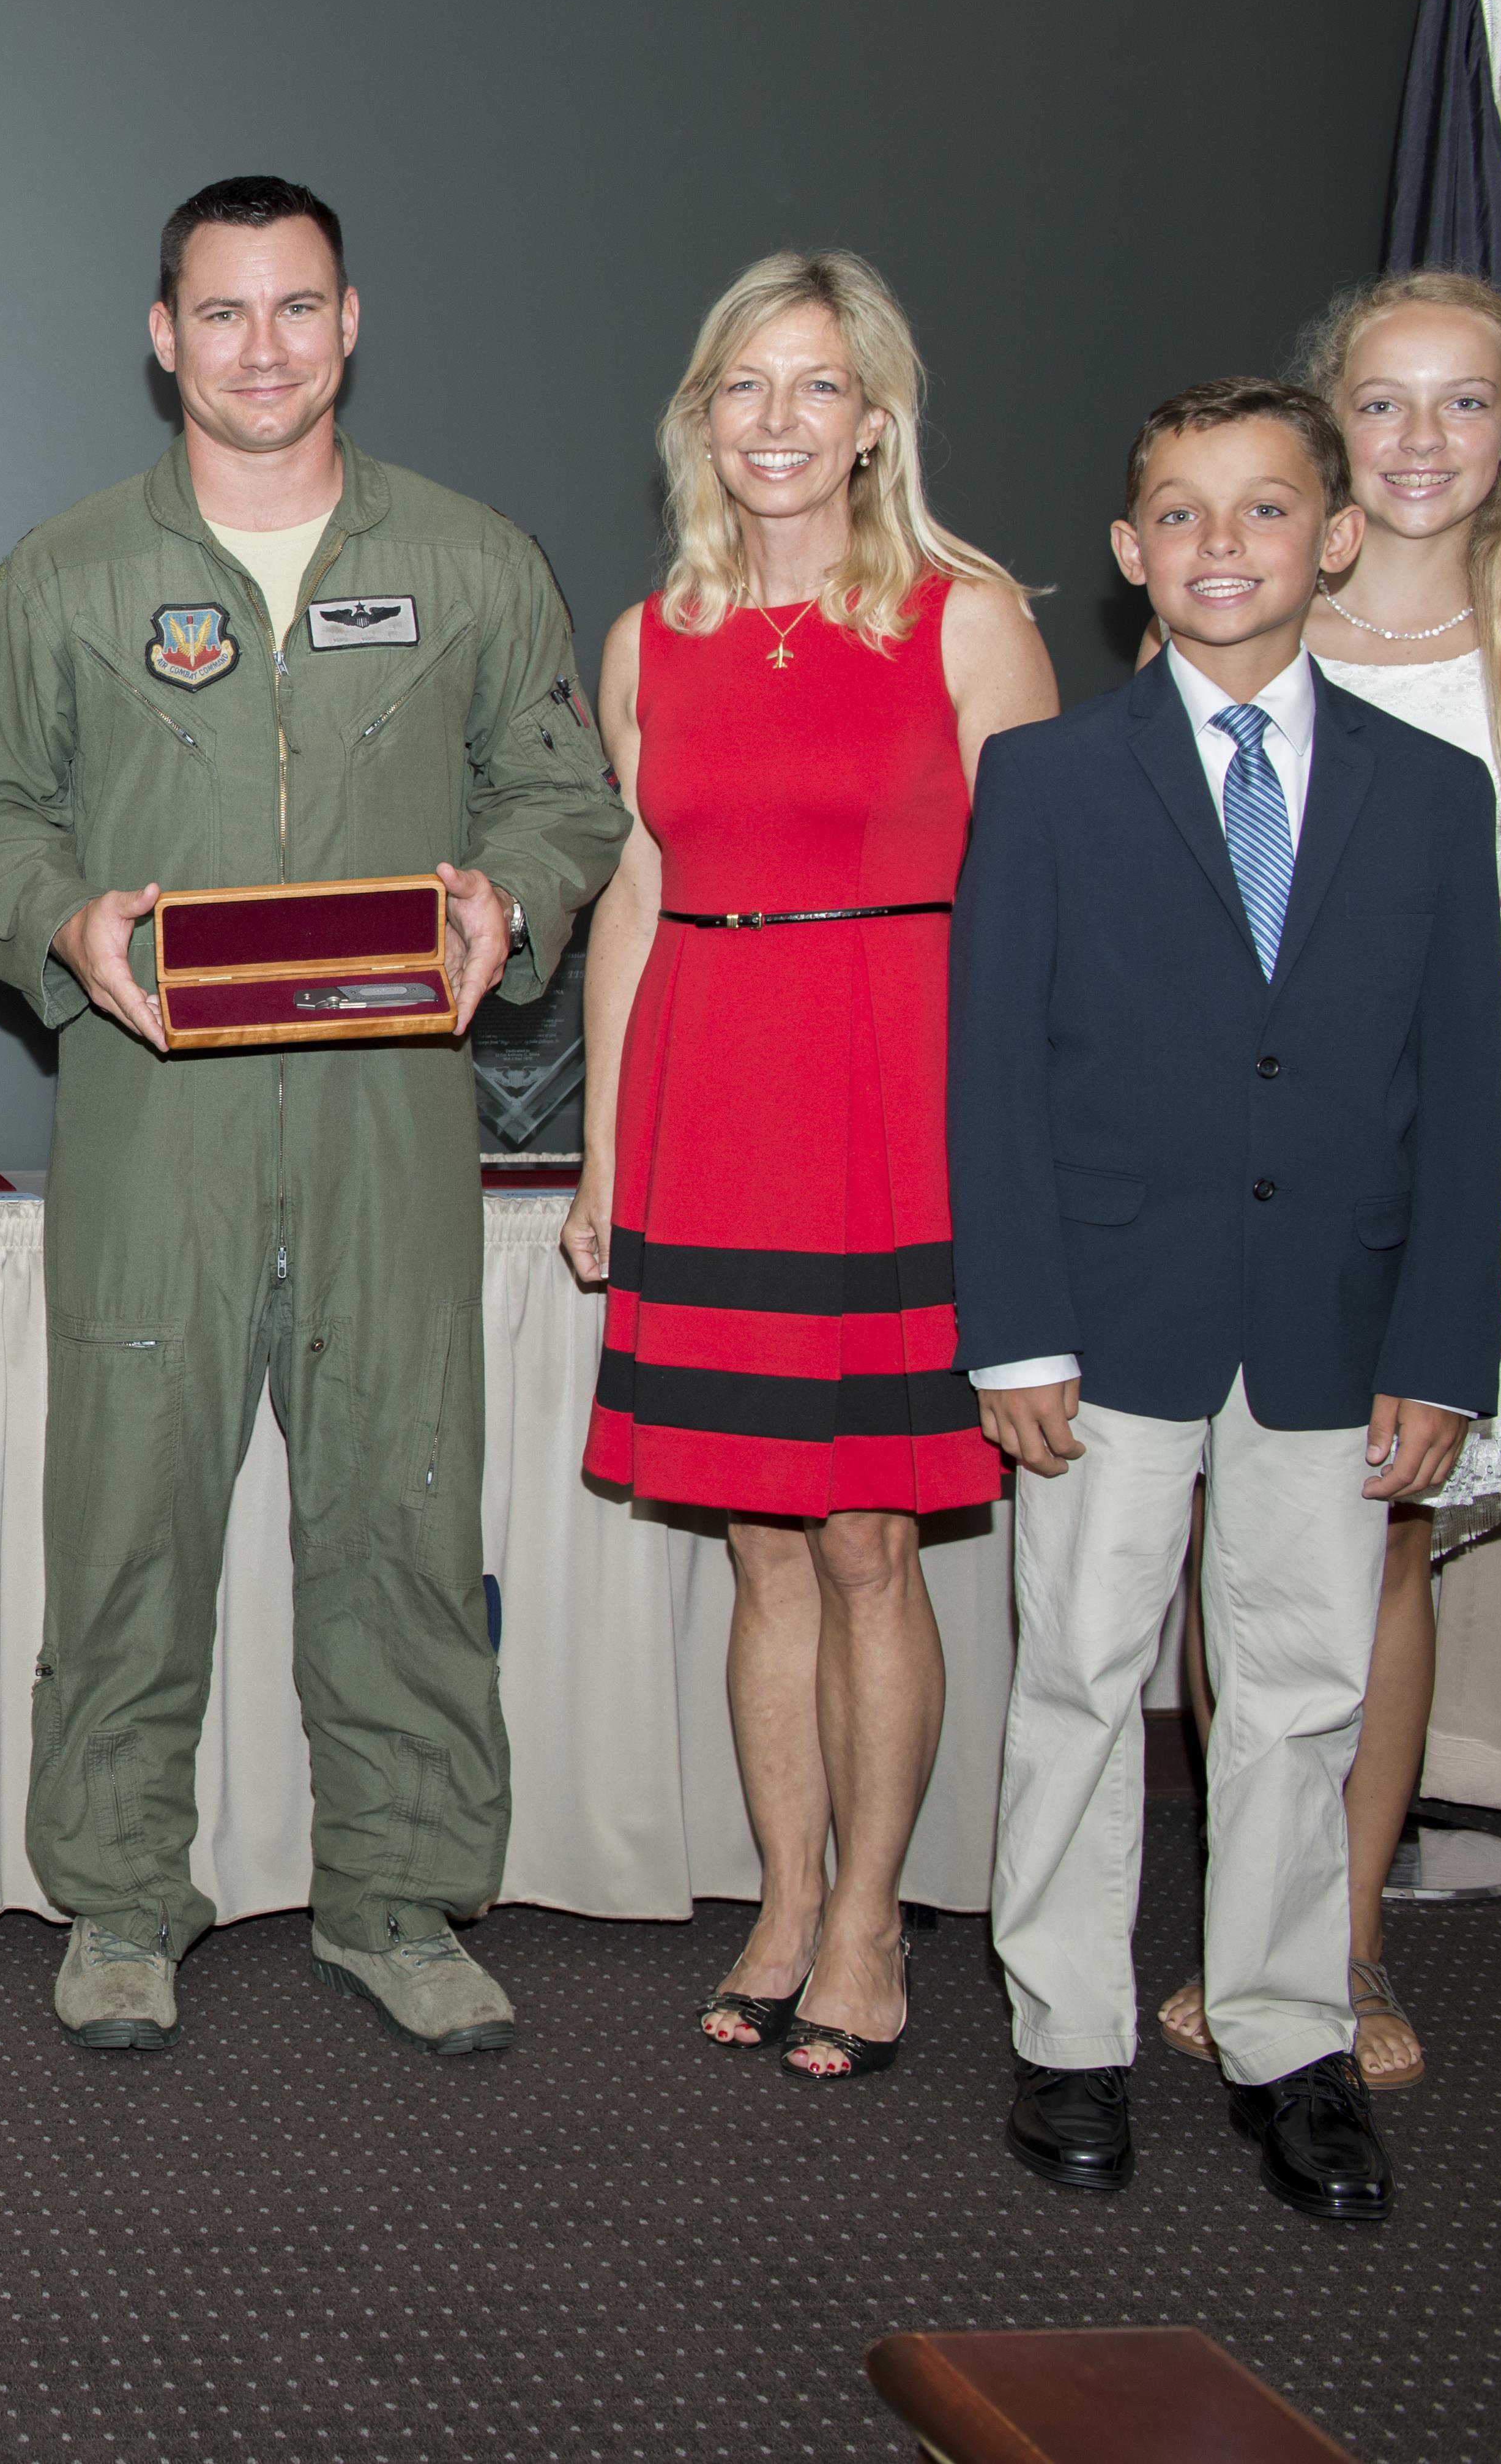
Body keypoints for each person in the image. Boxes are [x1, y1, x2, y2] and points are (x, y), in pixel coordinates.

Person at [0, 175, 627, 2055]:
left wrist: (509, 900)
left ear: (351, 325)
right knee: (125, 1514)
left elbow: (562, 797)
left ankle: (397, 1897)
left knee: (401, 1499)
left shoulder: (472, 562)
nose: (263, 348)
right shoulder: (67, 571)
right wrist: (60, 922)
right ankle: (118, 1898)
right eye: (224, 312)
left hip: (385, 1122)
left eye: (298, 307)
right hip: (149, 1118)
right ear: (163, 336)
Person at [959, 378, 1500, 2227]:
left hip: (1334, 1329)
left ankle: (1286, 2035)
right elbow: (992, 1077)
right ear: (1130, 553)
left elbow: (1463, 1094)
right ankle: (1068, 2033)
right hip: (1106, 1321)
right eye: (1181, 513)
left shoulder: (1431, 797)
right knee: (1080, 1677)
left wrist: (1439, 1349)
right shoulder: (1046, 783)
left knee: (1298, 1692)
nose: (1222, 544)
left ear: (1332, 539)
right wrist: (1016, 1331)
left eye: (1265, 509)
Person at [562, 253, 1055, 2080]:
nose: (778, 420)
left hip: (893, 1110)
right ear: (701, 419)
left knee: (864, 1542)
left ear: (875, 423)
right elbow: (634, 893)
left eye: (818, 386)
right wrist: (606, 1156)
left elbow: (1044, 915)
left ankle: (869, 1920)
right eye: (745, 387)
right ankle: (781, 1901)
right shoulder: (649, 636)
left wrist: (1019, 1167)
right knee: (759, 1547)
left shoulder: (965, 619)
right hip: (710, 1105)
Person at [1146, 272, 1501, 2089]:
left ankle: (1341, 1946)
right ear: (1328, 429)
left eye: (1464, 403)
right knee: (1238, 1534)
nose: (1422, 440)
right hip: (1236, 1149)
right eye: (1382, 402)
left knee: (1380, 1537)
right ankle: (1240, 1930)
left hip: (1441, 1151)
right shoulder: (1237, 598)